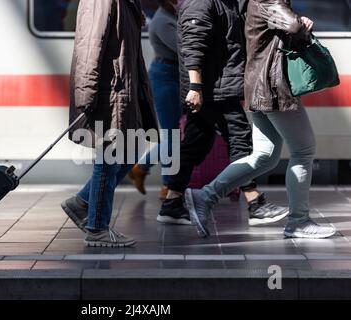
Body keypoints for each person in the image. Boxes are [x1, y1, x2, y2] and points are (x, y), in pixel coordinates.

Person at [184, 0, 336, 239]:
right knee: (304, 151)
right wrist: (301, 27)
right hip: (273, 88)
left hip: (258, 86)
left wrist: (296, 24)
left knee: (264, 156)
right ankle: (298, 221)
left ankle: (204, 196)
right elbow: (294, 28)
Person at [157, 0, 289, 230]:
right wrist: (195, 88)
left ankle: (172, 202)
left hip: (216, 88)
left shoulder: (224, 2)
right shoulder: (201, 2)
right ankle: (255, 203)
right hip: (213, 90)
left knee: (194, 145)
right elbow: (193, 45)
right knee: (240, 140)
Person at [61, 0, 159, 247]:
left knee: (129, 152)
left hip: (123, 89)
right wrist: (86, 93)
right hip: (109, 91)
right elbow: (89, 45)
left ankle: (82, 202)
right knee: (110, 156)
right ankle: (96, 228)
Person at [128, 0, 181, 200]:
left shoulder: (172, 16)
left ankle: (141, 168)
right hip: (165, 76)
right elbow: (182, 49)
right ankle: (167, 185)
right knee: (172, 135)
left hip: (176, 75)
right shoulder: (162, 20)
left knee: (176, 134)